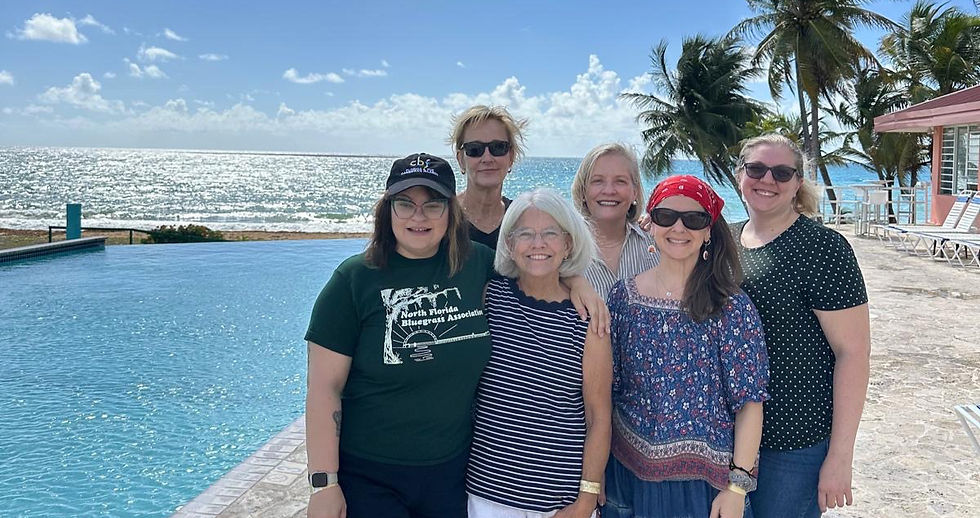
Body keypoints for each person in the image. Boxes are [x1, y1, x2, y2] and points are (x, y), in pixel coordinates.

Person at [305, 154, 608, 518]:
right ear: (387, 210)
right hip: (371, 474)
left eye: (432, 205)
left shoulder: (477, 265)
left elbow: (537, 263)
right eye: (405, 204)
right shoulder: (353, 280)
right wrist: (324, 483)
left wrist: (577, 281)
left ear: (451, 211)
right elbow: (324, 389)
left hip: (452, 478)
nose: (419, 217)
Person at [603, 175, 770, 518]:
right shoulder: (622, 298)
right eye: (666, 216)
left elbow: (750, 404)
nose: (678, 227)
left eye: (693, 219)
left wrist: (737, 488)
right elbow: (608, 391)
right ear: (650, 224)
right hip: (627, 478)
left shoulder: (731, 307)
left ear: (708, 230)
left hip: (705, 488)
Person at [731, 135, 871, 518]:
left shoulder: (824, 248)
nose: (767, 180)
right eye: (756, 169)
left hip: (795, 443)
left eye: (782, 172)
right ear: (740, 174)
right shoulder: (723, 240)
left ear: (797, 183)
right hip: (725, 436)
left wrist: (840, 457)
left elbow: (853, 353)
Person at [466, 188, 612, 518]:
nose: (538, 244)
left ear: (568, 243)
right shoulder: (489, 298)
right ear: (508, 244)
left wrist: (587, 500)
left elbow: (598, 416)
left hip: (562, 503)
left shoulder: (588, 319)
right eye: (525, 234)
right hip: (488, 497)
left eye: (550, 234)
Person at [571, 143, 658, 299]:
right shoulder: (564, 249)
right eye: (597, 181)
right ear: (583, 191)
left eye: (620, 181)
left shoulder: (656, 244)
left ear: (635, 192)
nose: (609, 190)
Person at [449, 105, 528, 249]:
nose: (487, 158)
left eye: (498, 147)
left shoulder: (525, 220)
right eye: (474, 149)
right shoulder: (442, 218)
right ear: (461, 160)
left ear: (511, 157)